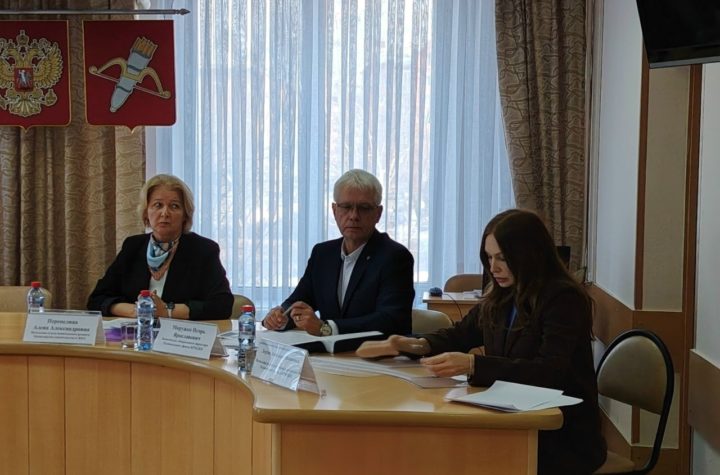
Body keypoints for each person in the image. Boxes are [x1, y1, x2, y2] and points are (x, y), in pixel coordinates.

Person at [356, 209, 607, 475]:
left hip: (561, 436)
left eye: (502, 258)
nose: (493, 267)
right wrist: (414, 344)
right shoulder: (502, 293)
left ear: (529, 255)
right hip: (512, 417)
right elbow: (460, 334)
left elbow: (549, 372)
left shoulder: (563, 298)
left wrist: (474, 364)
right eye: (489, 257)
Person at [262, 169, 414, 337]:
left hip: (375, 351)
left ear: (378, 214)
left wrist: (327, 328)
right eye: (346, 207)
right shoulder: (322, 253)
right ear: (334, 211)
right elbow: (299, 301)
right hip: (327, 351)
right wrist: (280, 316)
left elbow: (391, 320)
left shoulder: (395, 257)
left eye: (364, 208)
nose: (354, 216)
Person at [88, 174, 233, 320]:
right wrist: (134, 310)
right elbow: (97, 299)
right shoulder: (133, 246)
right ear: (146, 212)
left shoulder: (203, 250)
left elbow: (222, 305)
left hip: (179, 332)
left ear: (185, 215)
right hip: (138, 330)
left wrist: (167, 311)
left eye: (174, 206)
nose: (165, 213)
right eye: (158, 205)